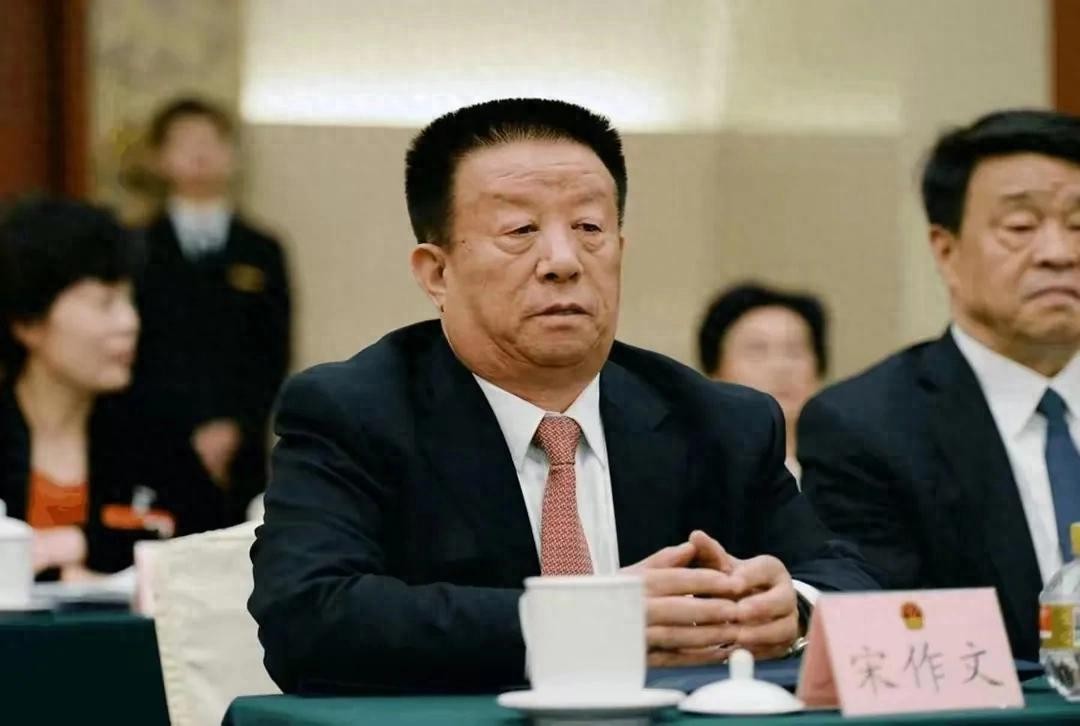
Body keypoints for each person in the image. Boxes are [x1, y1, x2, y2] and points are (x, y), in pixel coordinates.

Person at [249, 98, 878, 694]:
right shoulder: (353, 411)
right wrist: (583, 621)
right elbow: (308, 617)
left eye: (589, 228)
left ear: (620, 251)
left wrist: (794, 609)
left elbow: (847, 578)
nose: (563, 260)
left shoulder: (721, 421)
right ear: (437, 272)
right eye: (521, 230)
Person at [799, 109, 1080, 660]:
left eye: (1079, 226)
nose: (1059, 254)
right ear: (946, 251)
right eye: (1021, 227)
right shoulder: (865, 428)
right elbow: (894, 638)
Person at [0, 197, 225, 579]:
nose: (129, 323)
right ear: (29, 323)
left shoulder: (151, 431)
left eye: (129, 301)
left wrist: (82, 543)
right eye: (104, 304)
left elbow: (210, 541)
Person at [131, 97, 292, 524]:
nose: (199, 154)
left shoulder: (261, 249)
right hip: (151, 440)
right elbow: (136, 351)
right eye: (184, 142)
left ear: (232, 154)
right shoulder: (137, 246)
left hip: (240, 447)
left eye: (211, 141)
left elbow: (273, 350)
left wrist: (235, 426)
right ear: (158, 158)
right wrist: (183, 431)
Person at [698, 282, 827, 480]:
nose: (781, 367)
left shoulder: (847, 471)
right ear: (714, 372)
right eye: (757, 350)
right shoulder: (691, 470)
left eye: (794, 351)